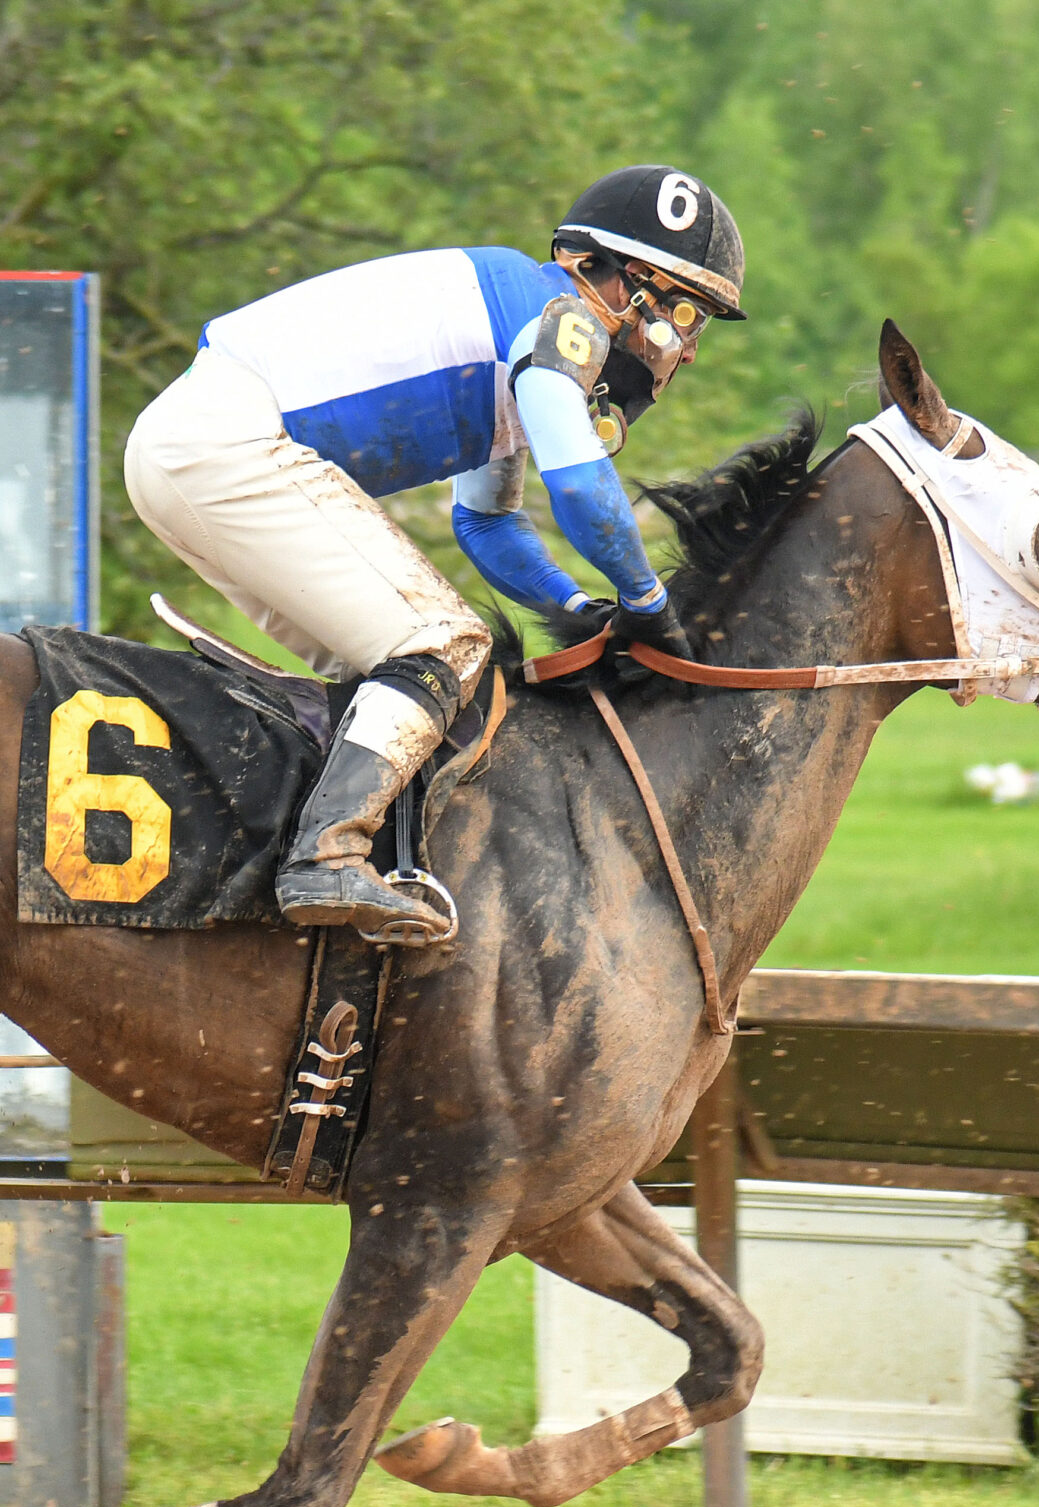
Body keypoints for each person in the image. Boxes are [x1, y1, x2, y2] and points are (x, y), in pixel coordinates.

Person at [124, 166, 747, 944]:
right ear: (618, 282)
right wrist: (648, 603)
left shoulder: (520, 328)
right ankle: (324, 857)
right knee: (443, 645)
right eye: (688, 314)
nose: (688, 351)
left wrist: (577, 608)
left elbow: (487, 523)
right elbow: (582, 486)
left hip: (188, 445)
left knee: (388, 688)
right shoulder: (562, 320)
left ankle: (336, 872)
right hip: (227, 442)